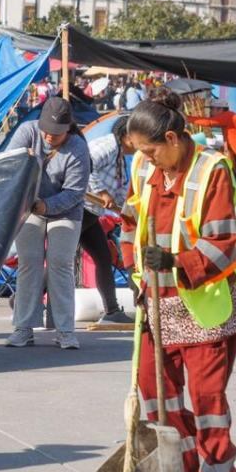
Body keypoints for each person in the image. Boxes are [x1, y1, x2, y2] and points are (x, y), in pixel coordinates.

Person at [120, 90, 236, 472]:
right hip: (154, 302)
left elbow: (224, 243)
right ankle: (186, 469)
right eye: (141, 151)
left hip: (201, 304)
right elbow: (130, 218)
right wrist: (132, 266)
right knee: (156, 391)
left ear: (173, 139)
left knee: (207, 399)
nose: (146, 159)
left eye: (152, 150)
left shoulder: (213, 171)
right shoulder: (143, 166)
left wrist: (176, 260)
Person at [5, 97, 91, 350]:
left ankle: (65, 330)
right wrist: (26, 161)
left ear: (68, 129)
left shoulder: (78, 148)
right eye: (46, 130)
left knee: (60, 263)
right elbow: (10, 166)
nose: (49, 136)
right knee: (28, 262)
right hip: (29, 207)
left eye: (56, 133)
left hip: (65, 210)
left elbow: (75, 192)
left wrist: (47, 206)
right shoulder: (27, 131)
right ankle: (23, 327)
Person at [82, 115, 135, 324]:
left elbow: (121, 192)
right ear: (127, 136)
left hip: (92, 214)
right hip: (80, 209)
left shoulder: (121, 157)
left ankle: (112, 311)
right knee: (62, 261)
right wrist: (102, 192)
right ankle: (23, 297)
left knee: (103, 257)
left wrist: (129, 210)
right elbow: (85, 165)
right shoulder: (108, 146)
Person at [189, 97, 236, 223]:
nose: (211, 112)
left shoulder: (228, 116)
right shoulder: (226, 121)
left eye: (212, 109)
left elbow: (208, 122)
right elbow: (226, 141)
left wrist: (188, 118)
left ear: (219, 109)